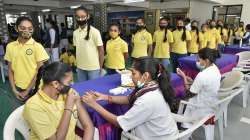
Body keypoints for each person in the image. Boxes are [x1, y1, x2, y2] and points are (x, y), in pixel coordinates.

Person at [82, 57, 178, 140]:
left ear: (145, 76)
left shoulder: (147, 100)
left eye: (133, 73)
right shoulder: (154, 85)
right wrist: (105, 97)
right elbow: (129, 99)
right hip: (165, 133)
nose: (131, 77)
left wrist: (94, 105)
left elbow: (119, 123)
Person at [23, 62, 94, 140]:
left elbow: (89, 126)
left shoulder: (69, 93)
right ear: (56, 84)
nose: (72, 84)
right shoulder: (34, 106)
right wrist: (68, 107)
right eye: (69, 82)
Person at [4, 16, 49, 101]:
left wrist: (28, 90)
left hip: (35, 88)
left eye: (30, 28)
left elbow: (40, 71)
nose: (27, 31)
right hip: (18, 87)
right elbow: (10, 69)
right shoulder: (10, 47)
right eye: (23, 28)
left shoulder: (37, 47)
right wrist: (13, 89)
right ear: (16, 28)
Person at [177, 48, 221, 128]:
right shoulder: (215, 68)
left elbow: (188, 94)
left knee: (177, 101)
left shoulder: (202, 75)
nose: (198, 61)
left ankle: (182, 128)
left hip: (200, 108)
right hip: (211, 103)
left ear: (206, 60)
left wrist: (184, 77)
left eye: (199, 59)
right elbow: (205, 86)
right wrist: (193, 81)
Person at [73, 6, 104, 82]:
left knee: (93, 90)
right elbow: (77, 49)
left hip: (93, 68)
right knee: (83, 90)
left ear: (88, 16)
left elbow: (101, 51)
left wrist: (100, 67)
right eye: (78, 17)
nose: (80, 19)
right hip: (80, 68)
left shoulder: (95, 32)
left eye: (83, 17)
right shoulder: (75, 33)